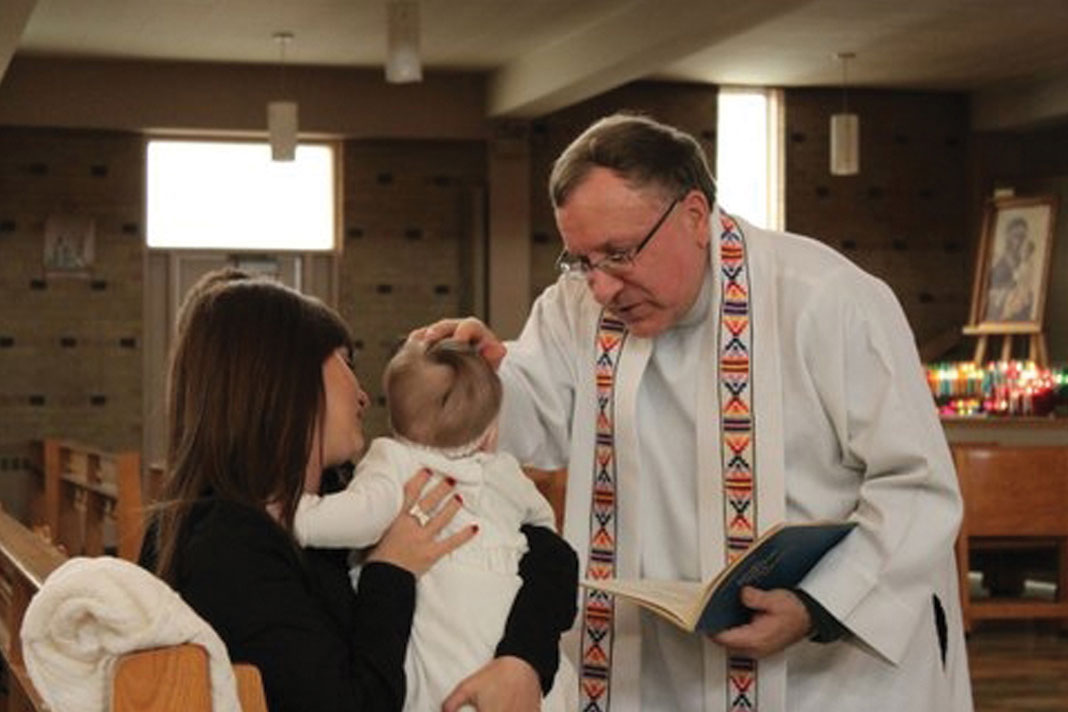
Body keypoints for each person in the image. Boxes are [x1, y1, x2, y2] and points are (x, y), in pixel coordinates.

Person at [417, 113, 973, 711]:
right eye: (580, 260)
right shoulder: (577, 306)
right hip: (655, 662)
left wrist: (816, 605)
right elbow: (539, 423)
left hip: (827, 674)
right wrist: (482, 376)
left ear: (694, 216)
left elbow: (918, 487)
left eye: (619, 254)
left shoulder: (827, 300)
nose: (601, 287)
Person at [139, 275, 577, 712]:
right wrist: (391, 568)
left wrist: (521, 661)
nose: (364, 396)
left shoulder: (343, 492)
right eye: (346, 363)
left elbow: (550, 556)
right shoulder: (222, 545)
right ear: (286, 377)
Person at [293, 337, 577, 711]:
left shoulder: (393, 461)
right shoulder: (504, 472)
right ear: (490, 433)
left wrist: (298, 515)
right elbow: (543, 529)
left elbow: (360, 518)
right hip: (511, 659)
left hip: (443, 670)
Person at [985, 216, 1037, 322]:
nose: (1019, 241)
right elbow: (989, 288)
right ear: (1008, 236)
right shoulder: (997, 259)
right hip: (997, 309)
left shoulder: (1023, 261)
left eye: (1022, 237)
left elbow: (1026, 284)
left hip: (1017, 311)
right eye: (1016, 236)